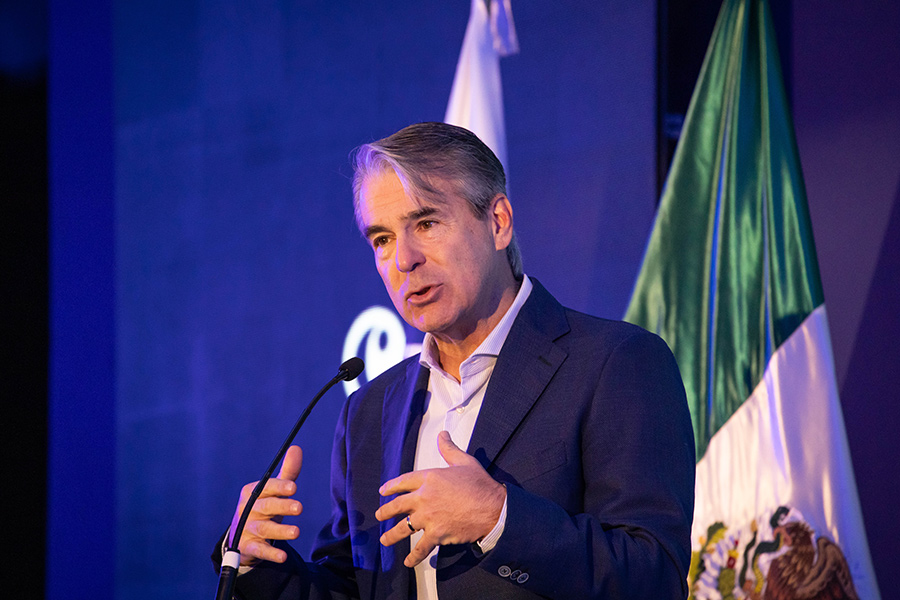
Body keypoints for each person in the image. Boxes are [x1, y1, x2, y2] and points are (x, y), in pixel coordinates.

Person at [214, 122, 695, 599]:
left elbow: (654, 578)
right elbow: (353, 589)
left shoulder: (616, 364)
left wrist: (498, 519)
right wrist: (258, 562)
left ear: (498, 222)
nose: (403, 259)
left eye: (426, 223)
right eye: (381, 239)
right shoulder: (368, 412)